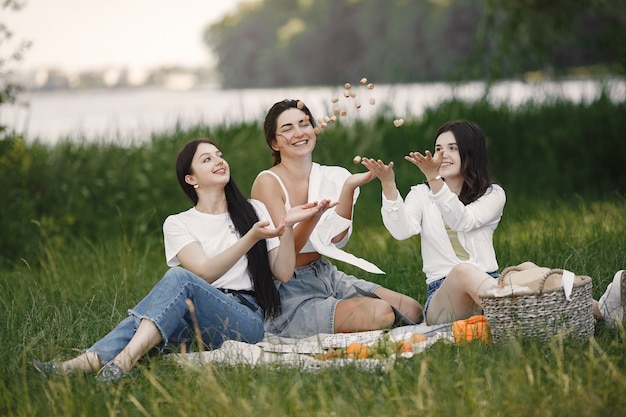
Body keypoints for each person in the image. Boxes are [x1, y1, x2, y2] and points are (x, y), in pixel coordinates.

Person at [33, 139, 323, 381]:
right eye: (207, 159)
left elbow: (283, 273)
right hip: (197, 316)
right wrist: (251, 238)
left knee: (176, 281)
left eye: (220, 156)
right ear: (191, 178)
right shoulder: (178, 223)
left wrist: (285, 227)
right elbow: (206, 273)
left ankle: (121, 362)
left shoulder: (254, 210)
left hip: (245, 319)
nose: (219, 161)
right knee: (149, 321)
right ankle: (74, 368)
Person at [362, 120, 625, 327]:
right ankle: (530, 310)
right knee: (464, 271)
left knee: (528, 269)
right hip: (445, 298)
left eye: (453, 148)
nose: (443, 154)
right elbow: (401, 231)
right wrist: (388, 184)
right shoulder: (422, 193)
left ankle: (602, 310)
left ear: (471, 153)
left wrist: (435, 182)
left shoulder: (492, 195)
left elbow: (463, 220)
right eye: (439, 148)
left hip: (491, 284)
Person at [250, 99, 423, 339]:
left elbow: (337, 238)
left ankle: (336, 308)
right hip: (289, 290)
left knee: (412, 310)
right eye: (287, 128)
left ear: (314, 130)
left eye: (304, 124)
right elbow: (284, 262)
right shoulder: (267, 182)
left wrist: (349, 187)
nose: (299, 133)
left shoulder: (331, 176)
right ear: (274, 142)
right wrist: (313, 217)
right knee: (383, 314)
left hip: (325, 273)